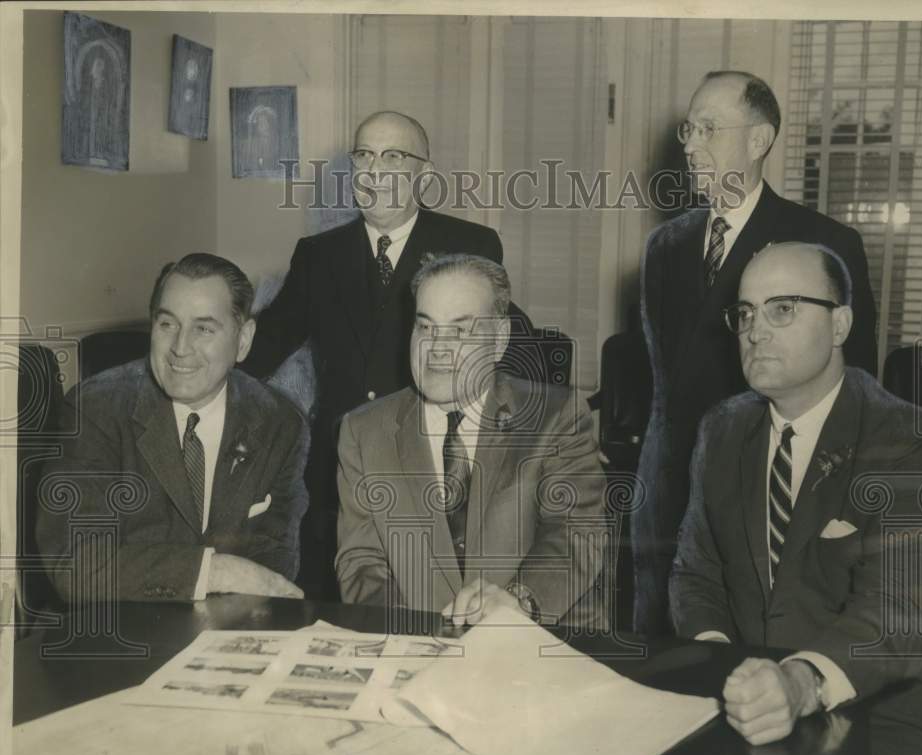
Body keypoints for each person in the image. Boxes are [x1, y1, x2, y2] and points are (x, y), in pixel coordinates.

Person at [670, 242, 922, 747]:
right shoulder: (722, 428)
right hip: (747, 710)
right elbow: (696, 573)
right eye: (745, 314)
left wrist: (801, 681)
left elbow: (899, 615)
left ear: (840, 325)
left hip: (873, 721)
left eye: (782, 309)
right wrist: (721, 665)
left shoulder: (913, 441)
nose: (755, 332)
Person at [243, 110, 537, 600]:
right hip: (340, 471)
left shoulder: (469, 244)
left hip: (436, 464)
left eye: (394, 157)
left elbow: (506, 345)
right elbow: (264, 345)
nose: (375, 171)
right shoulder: (317, 255)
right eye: (364, 155)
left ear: (423, 172)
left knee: (436, 604)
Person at [634, 70, 879, 633]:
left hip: (770, 500)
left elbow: (856, 385)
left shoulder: (825, 243)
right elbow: (662, 383)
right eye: (688, 130)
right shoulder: (664, 246)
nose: (691, 145)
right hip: (665, 499)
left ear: (759, 140)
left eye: (709, 129)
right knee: (661, 663)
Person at [335, 254, 608, 629]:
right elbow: (362, 563)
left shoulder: (555, 416)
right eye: (426, 327)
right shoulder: (363, 431)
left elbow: (577, 535)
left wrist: (518, 603)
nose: (438, 349)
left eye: (460, 331)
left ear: (498, 340)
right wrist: (411, 638)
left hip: (538, 644)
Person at [36, 254, 308, 603]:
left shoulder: (280, 421)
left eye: (204, 329)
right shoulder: (95, 411)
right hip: (126, 639)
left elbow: (276, 560)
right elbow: (75, 563)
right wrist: (215, 571)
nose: (180, 348)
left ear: (243, 340)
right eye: (168, 324)